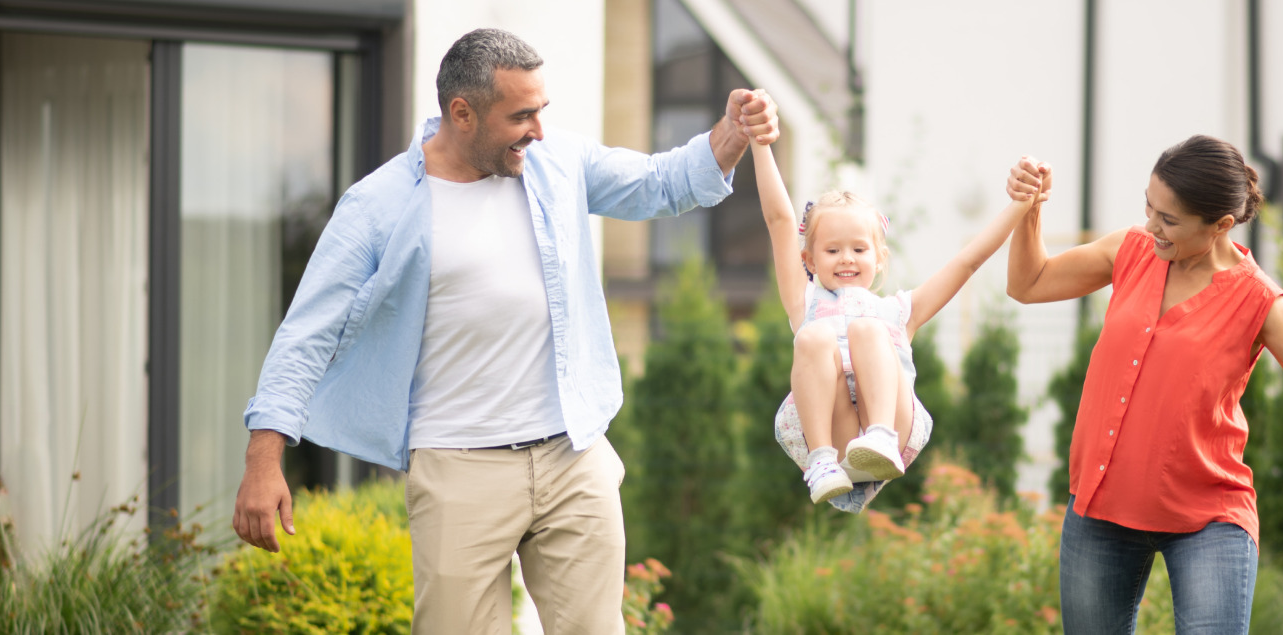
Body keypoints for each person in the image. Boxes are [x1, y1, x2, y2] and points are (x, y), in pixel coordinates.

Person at [230, 28, 779, 634]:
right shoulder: (377, 206)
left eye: (541, 110)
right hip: (458, 466)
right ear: (461, 113)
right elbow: (307, 334)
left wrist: (732, 133)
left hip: (573, 456)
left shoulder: (556, 162)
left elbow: (661, 183)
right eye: (521, 116)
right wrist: (264, 460)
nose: (538, 130)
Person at [1003, 135, 1283, 634]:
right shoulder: (1131, 251)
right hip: (1101, 508)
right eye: (1149, 207)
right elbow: (1028, 284)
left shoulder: (1261, 301)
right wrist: (1029, 209)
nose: (1151, 226)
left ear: (1222, 224)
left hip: (1208, 520)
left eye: (1169, 220)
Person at [751, 133, 1047, 511]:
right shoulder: (804, 303)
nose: (846, 258)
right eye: (832, 250)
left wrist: (1021, 205)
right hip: (837, 439)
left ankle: (878, 438)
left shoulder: (899, 311)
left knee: (867, 327)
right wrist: (760, 141)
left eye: (859, 249)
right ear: (809, 261)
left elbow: (966, 262)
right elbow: (779, 220)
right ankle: (821, 461)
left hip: (892, 427)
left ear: (879, 258)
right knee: (811, 338)